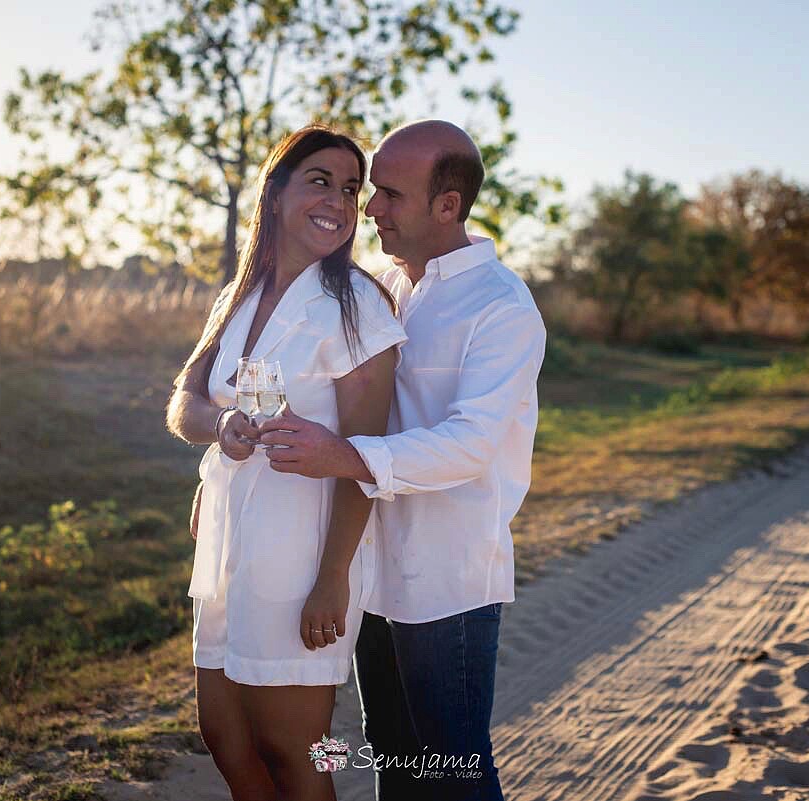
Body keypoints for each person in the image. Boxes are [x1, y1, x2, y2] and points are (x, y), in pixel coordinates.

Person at [259, 120, 547, 800]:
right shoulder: (378, 285)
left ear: (447, 206)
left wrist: (339, 454)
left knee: (453, 772)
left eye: (388, 193)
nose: (370, 208)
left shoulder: (503, 307)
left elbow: (471, 445)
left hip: (448, 579)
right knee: (394, 759)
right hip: (370, 573)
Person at [166, 124, 406, 801]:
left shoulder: (357, 306)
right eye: (320, 181)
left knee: (294, 750)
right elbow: (184, 400)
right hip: (225, 546)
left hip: (303, 553)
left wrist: (332, 578)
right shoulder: (237, 295)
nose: (340, 200)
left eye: (352, 189)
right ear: (274, 193)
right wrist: (224, 426)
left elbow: (366, 458)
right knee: (228, 740)